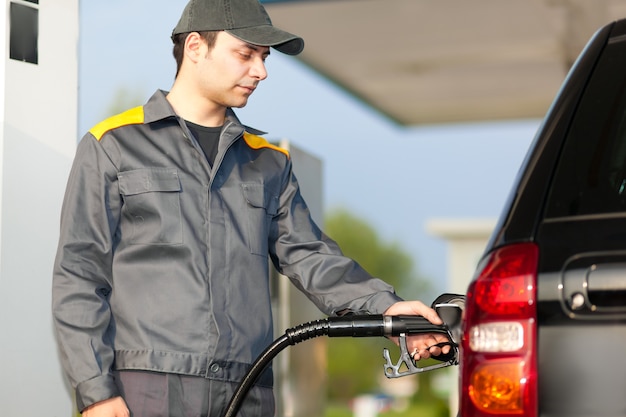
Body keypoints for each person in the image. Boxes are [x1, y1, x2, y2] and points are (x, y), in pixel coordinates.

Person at [52, 0, 449, 416]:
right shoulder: (114, 145)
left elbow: (310, 256)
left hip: (248, 388)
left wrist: (386, 308)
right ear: (195, 47)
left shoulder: (268, 161)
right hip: (150, 388)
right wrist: (96, 392)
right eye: (245, 54)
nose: (260, 71)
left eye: (263, 57)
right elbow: (79, 276)